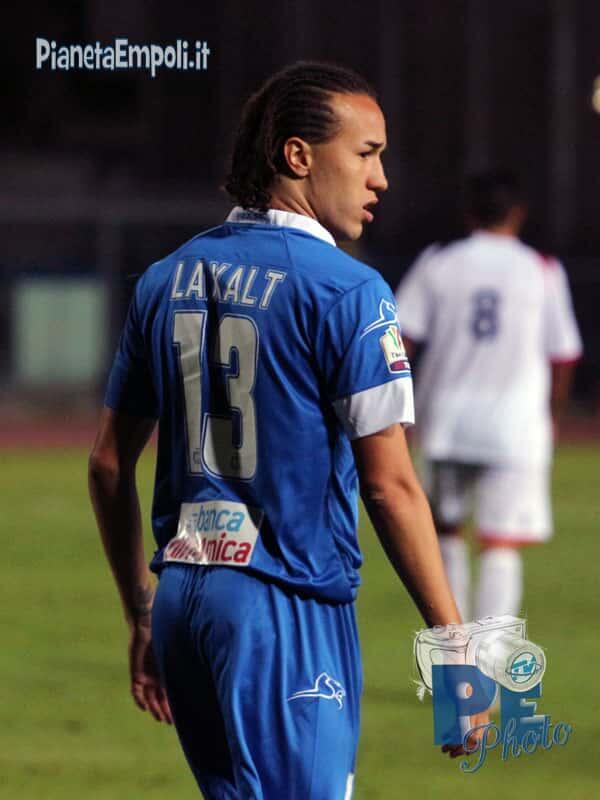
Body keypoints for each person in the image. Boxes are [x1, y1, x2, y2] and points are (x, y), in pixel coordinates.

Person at [89, 61, 472, 800]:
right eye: (366, 153)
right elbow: (390, 488)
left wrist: (142, 613)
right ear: (298, 155)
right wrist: (454, 648)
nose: (381, 179)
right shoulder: (347, 290)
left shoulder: (165, 277)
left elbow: (108, 465)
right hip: (284, 604)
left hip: (183, 601)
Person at [395, 169, 582, 623]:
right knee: (501, 542)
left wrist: (396, 408)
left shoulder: (440, 262)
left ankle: (455, 647)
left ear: (469, 213)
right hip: (515, 423)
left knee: (445, 532)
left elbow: (399, 339)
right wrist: (553, 416)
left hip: (446, 418)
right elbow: (563, 355)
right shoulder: (541, 269)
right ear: (518, 213)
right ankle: (492, 656)